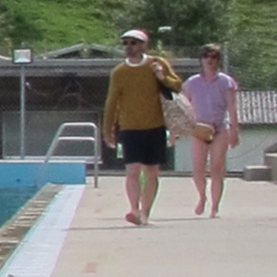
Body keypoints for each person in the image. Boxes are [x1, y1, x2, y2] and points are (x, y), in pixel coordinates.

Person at [101, 27, 182, 226]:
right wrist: (107, 130)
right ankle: (134, 209)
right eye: (126, 43)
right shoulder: (119, 72)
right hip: (129, 128)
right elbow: (112, 101)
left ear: (144, 45)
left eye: (134, 43)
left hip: (155, 126)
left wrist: (162, 77)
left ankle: (145, 212)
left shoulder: (157, 63)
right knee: (132, 171)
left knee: (152, 172)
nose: (129, 47)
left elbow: (177, 85)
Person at [180, 42, 240, 217]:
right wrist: (179, 129)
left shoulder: (225, 82)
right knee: (198, 169)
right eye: (206, 56)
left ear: (218, 60)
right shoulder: (192, 82)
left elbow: (232, 107)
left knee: (217, 168)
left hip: (219, 128)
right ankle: (202, 197)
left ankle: (215, 206)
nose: (209, 60)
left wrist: (235, 131)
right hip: (199, 129)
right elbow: (184, 106)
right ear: (201, 59)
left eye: (213, 56)